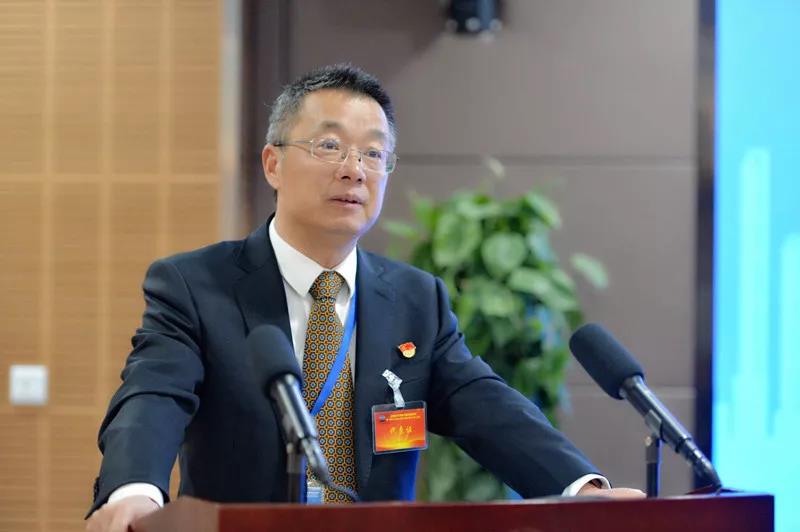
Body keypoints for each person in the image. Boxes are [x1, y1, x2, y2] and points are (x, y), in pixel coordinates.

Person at [86, 64, 643, 532]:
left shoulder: (416, 299)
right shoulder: (195, 284)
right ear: (273, 164)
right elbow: (153, 396)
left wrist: (580, 487)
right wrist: (134, 492)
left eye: (374, 154)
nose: (354, 170)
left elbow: (484, 406)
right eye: (329, 146)